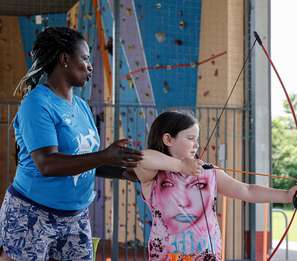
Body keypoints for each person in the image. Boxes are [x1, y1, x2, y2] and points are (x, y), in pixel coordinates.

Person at [0, 27, 202, 261]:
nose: (90, 65)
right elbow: (47, 164)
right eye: (84, 58)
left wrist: (125, 171)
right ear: (64, 59)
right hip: (32, 214)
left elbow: (88, 162)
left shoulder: (82, 108)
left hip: (75, 218)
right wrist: (105, 156)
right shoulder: (37, 103)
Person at [134, 111, 297, 260]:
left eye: (197, 139)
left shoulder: (208, 172)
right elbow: (142, 158)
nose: (196, 144)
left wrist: (286, 196)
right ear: (168, 139)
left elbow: (246, 191)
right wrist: (181, 166)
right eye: (190, 138)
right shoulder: (153, 175)